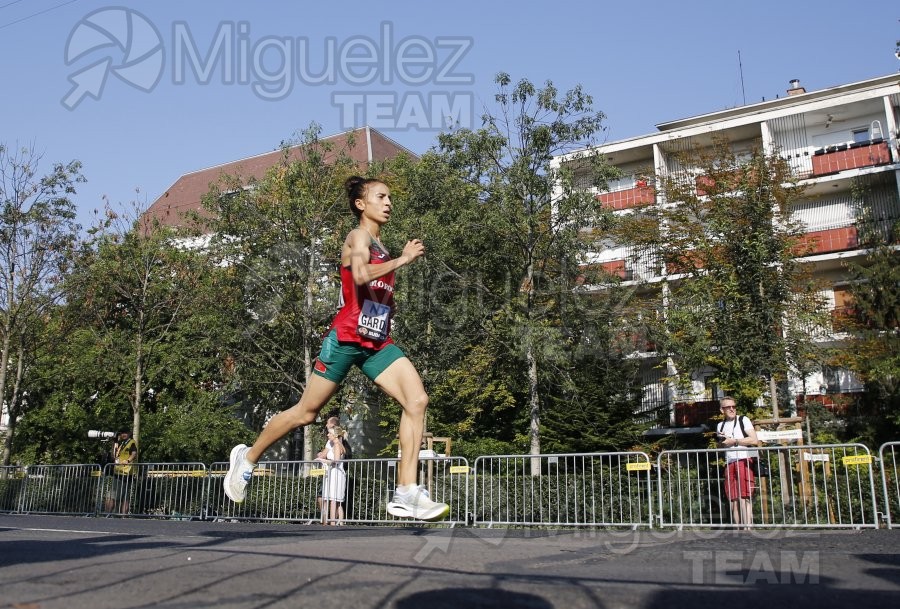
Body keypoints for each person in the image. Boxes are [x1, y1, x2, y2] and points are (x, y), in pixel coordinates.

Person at [224, 176, 449, 521]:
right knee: (306, 413)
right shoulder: (357, 237)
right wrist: (403, 260)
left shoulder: (382, 246)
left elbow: (370, 291)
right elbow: (360, 275)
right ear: (361, 204)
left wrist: (388, 303)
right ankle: (248, 458)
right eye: (381, 196)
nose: (388, 203)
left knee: (417, 400)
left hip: (375, 343)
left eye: (390, 197)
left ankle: (406, 491)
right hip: (345, 340)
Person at [716, 397, 759, 528]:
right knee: (733, 498)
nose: (731, 409)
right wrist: (722, 443)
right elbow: (721, 446)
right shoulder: (720, 425)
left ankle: (748, 527)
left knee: (744, 496)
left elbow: (754, 440)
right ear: (721, 410)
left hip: (743, 460)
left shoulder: (743, 420)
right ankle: (737, 527)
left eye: (733, 406)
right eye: (728, 407)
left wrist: (734, 441)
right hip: (729, 462)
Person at [318, 425, 348, 525]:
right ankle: (340, 523)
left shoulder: (336, 445)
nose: (327, 435)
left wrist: (323, 460)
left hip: (335, 473)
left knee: (333, 499)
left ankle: (332, 523)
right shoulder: (338, 444)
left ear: (335, 435)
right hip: (334, 472)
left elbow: (336, 461)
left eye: (330, 433)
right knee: (336, 500)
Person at [106, 428, 137, 514]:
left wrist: (127, 461)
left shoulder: (131, 442)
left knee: (116, 496)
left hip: (126, 473)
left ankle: (118, 516)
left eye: (125, 433)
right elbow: (114, 456)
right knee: (115, 496)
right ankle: (109, 515)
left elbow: (134, 454)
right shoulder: (120, 443)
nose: (123, 435)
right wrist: (114, 442)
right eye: (122, 433)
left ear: (129, 433)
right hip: (118, 472)